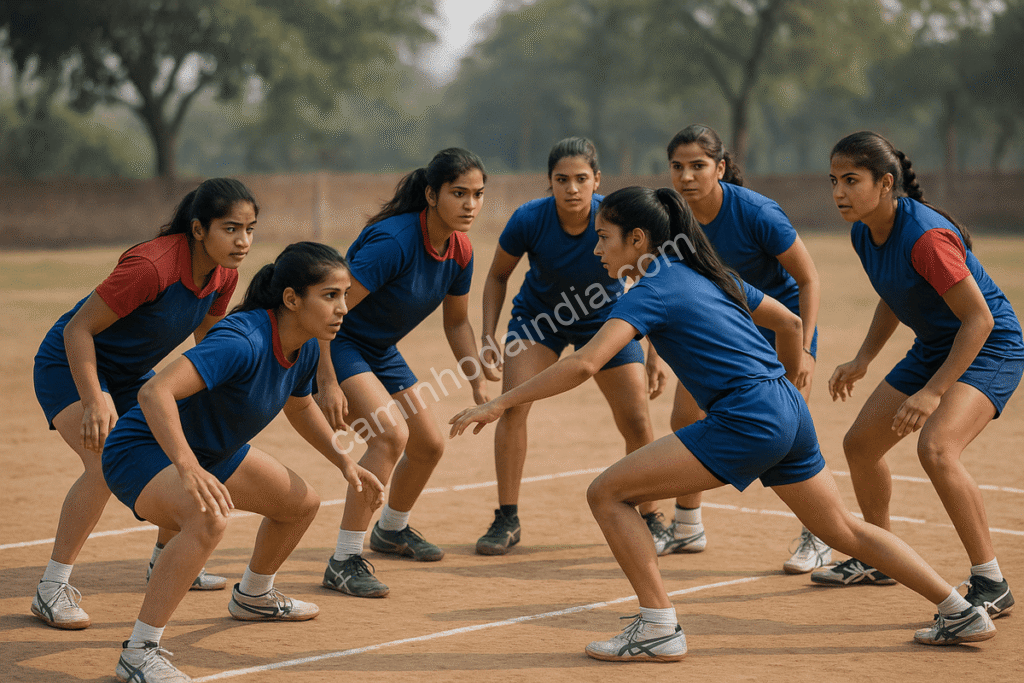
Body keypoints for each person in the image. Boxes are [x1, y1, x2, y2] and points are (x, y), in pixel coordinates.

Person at [450, 186, 996, 662]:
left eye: (604, 237)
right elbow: (786, 319)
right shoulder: (709, 273)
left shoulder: (652, 289)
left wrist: (498, 403)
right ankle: (959, 609)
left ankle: (659, 627)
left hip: (749, 418)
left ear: (638, 240)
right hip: (786, 409)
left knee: (607, 493)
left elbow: (584, 362)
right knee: (843, 532)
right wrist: (791, 371)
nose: (595, 248)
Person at [102, 242, 385, 683]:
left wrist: (345, 462)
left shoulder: (306, 343)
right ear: (292, 299)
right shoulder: (244, 339)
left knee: (301, 505)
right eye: (331, 295)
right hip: (142, 450)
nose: (343, 307)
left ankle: (254, 596)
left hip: (211, 454)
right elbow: (153, 393)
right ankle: (139, 651)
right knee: (209, 519)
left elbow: (300, 406)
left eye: (345, 295)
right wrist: (187, 467)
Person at [30, 178, 257, 630]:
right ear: (198, 229)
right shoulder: (151, 266)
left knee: (185, 442)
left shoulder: (223, 273)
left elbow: (207, 342)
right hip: (71, 364)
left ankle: (164, 558)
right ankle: (51, 587)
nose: (243, 241)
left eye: (250, 229)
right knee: (103, 464)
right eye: (232, 228)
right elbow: (78, 331)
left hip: (130, 376)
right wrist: (95, 398)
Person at [813, 131, 1020, 620]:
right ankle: (879, 556)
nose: (839, 192)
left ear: (885, 183)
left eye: (851, 180)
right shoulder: (865, 231)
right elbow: (894, 293)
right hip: (935, 346)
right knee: (860, 445)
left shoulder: (926, 237)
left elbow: (980, 320)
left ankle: (992, 581)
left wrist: (933, 392)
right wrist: (863, 358)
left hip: (990, 347)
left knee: (936, 448)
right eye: (834, 180)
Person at [645, 124, 829, 574]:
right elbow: (662, 289)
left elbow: (808, 279)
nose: (686, 176)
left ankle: (820, 535)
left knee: (792, 439)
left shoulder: (758, 213)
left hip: (784, 329)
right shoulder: (671, 221)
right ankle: (688, 526)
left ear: (720, 167)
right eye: (677, 166)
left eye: (698, 166)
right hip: (726, 333)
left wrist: (803, 350)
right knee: (685, 417)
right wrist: (654, 356)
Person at [315, 148, 498, 597]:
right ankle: (343, 559)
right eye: (459, 193)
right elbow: (327, 311)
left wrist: (476, 380)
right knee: (389, 437)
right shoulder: (394, 242)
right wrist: (325, 379)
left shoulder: (461, 249)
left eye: (477, 194)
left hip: (377, 348)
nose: (470, 204)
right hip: (336, 341)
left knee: (429, 444)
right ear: (431, 195)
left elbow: (455, 321)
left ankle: (391, 531)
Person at [474, 137, 662, 555]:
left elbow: (654, 279)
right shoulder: (529, 219)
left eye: (581, 179)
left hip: (607, 318)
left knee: (636, 420)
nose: (572, 188)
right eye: (562, 179)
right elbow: (497, 276)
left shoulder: (618, 215)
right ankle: (507, 517)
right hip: (540, 320)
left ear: (597, 180)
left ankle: (652, 516)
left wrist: (654, 353)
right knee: (511, 405)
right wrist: (489, 334)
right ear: (550, 182)